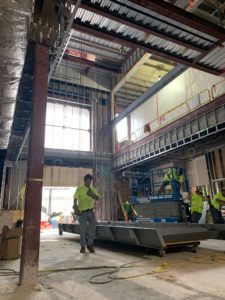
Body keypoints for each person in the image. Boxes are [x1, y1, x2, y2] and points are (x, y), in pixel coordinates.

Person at [73, 174, 99, 253]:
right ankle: (83, 246)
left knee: (93, 228)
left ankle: (90, 245)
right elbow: (75, 199)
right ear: (85, 181)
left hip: (91, 212)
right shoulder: (80, 189)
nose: (89, 182)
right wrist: (75, 206)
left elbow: (97, 198)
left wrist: (92, 194)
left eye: (90, 181)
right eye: (88, 181)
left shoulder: (92, 189)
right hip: (82, 213)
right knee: (82, 230)